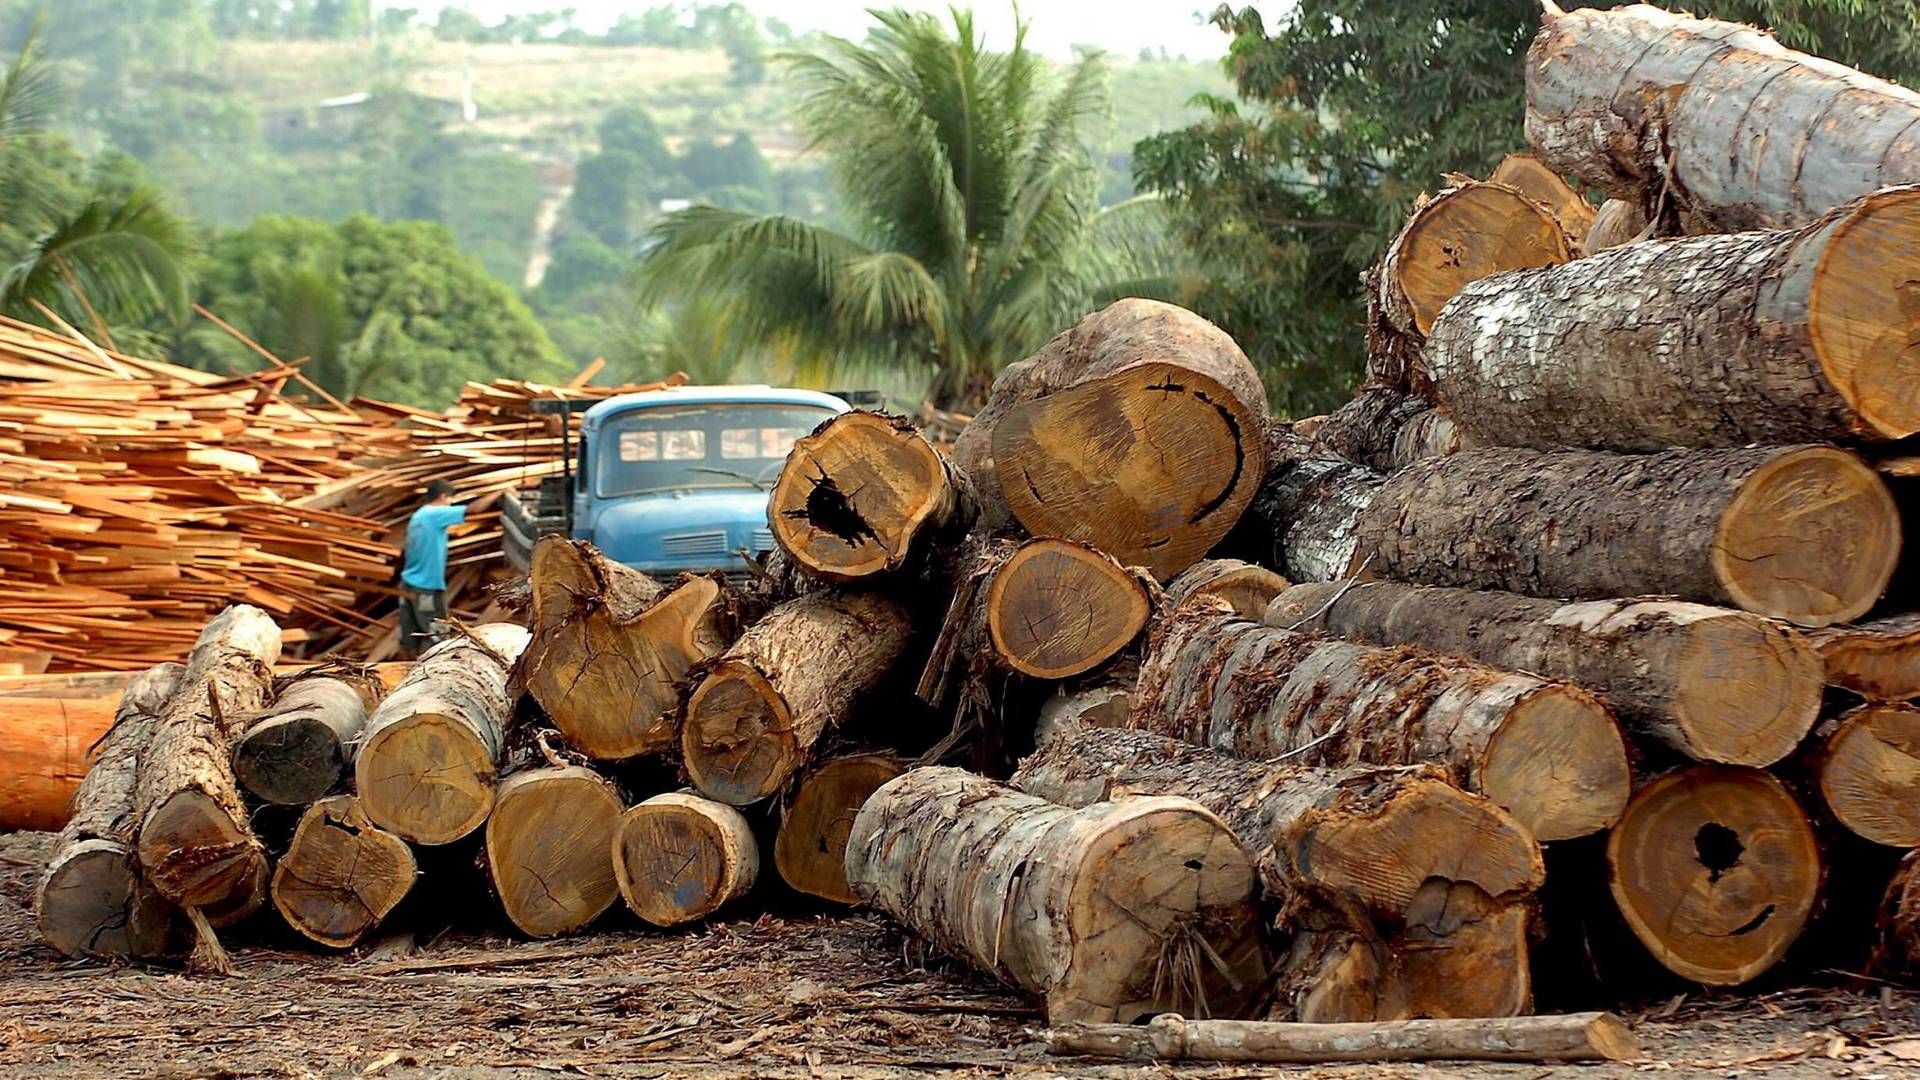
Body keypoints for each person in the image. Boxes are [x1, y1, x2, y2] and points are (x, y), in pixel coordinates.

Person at [398, 480, 467, 658]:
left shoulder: (419, 515)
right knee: (438, 634)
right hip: (426, 588)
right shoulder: (434, 514)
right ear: (443, 497)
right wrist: (499, 494)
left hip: (408, 584)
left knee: (411, 635)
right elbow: (473, 510)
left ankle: (406, 669)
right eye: (450, 499)